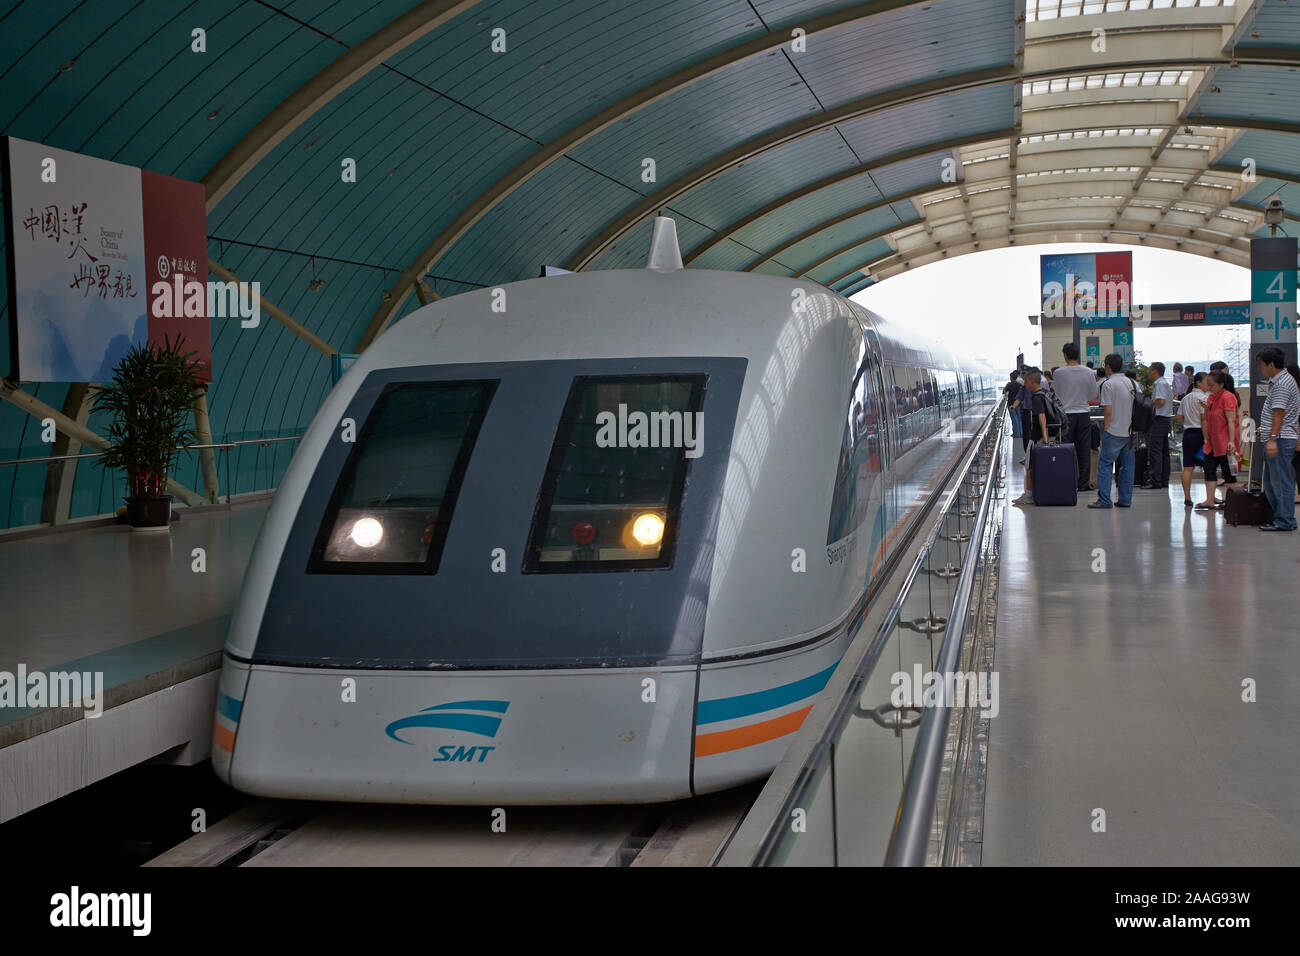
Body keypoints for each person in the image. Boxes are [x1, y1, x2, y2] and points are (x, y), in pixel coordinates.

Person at [1256, 346, 1299, 532]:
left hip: (1280, 439)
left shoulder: (1282, 384)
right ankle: (1280, 517)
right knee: (1271, 483)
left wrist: (1272, 438)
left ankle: (1285, 521)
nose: (1260, 368)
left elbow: (1279, 415)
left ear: (1271, 364)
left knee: (1281, 483)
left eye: (1261, 365)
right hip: (1276, 437)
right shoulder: (1281, 380)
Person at [1089, 352, 1136, 509]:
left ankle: (1104, 500)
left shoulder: (1108, 384)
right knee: (1127, 467)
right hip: (1130, 432)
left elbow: (1108, 410)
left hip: (1114, 431)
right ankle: (1125, 499)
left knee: (1105, 465)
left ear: (1107, 367)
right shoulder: (1132, 383)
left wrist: (1107, 428)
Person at [1055, 341, 1100, 491]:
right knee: (1084, 450)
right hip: (1083, 414)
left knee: (1067, 449)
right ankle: (1083, 484)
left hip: (1066, 415)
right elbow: (1094, 394)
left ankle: (1069, 481)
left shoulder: (1058, 373)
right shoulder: (1088, 372)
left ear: (1065, 355)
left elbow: (1056, 394)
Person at [1196, 370, 1240, 511]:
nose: (1209, 388)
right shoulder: (1210, 398)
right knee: (1209, 469)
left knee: (1228, 472)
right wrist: (1206, 436)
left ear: (1221, 384)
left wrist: (1231, 441)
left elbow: (1231, 421)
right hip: (1212, 441)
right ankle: (1210, 500)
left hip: (1225, 441)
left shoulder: (1228, 397)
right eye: (1208, 384)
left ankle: (1231, 501)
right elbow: (1207, 419)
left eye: (1212, 385)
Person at [1012, 369, 1051, 506]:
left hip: (1036, 438)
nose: (1025, 382)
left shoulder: (1036, 397)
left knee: (1029, 465)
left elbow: (1041, 416)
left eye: (1026, 380)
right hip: (1040, 437)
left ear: (1031, 382)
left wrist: (1044, 437)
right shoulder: (1045, 393)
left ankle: (1028, 496)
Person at [1176, 372, 1208, 508]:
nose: (1209, 384)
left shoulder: (1186, 398)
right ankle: (1210, 497)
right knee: (1208, 467)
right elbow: (1204, 419)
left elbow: (1178, 417)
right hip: (1200, 434)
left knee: (1188, 468)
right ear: (1199, 383)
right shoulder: (1203, 399)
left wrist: (1188, 421)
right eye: (1207, 381)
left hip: (1188, 434)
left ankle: (1187, 498)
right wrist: (1207, 438)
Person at [1143, 361, 1172, 490]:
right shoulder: (1165, 383)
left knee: (1155, 451)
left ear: (1155, 371)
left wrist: (1149, 403)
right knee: (1164, 451)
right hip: (1165, 419)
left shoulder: (1159, 384)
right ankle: (1164, 479)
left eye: (1150, 370)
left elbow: (1160, 401)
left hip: (1159, 419)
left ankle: (1155, 480)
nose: (1148, 372)